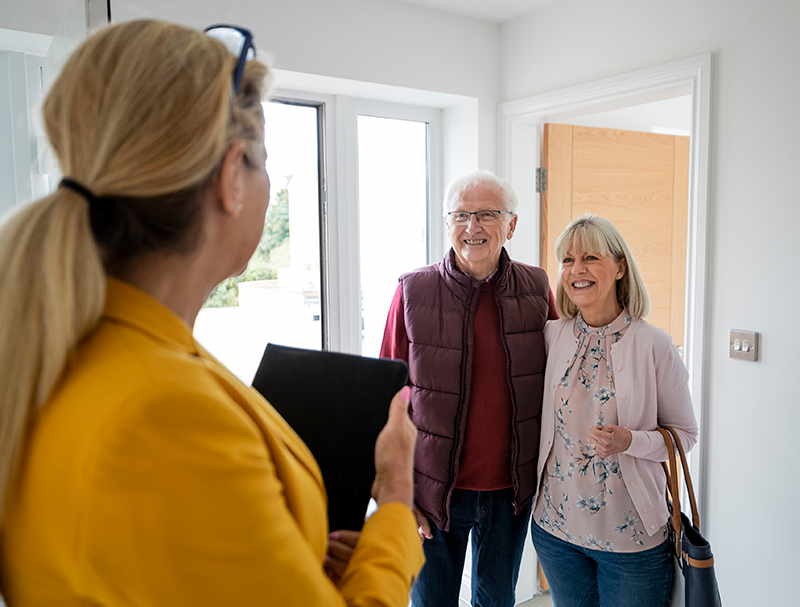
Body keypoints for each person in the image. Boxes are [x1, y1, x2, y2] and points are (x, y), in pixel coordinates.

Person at [0, 20, 423, 607]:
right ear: (231, 179)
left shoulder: (75, 350)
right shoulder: (164, 412)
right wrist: (396, 504)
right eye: (264, 161)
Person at [380, 170, 558, 607]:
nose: (472, 227)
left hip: (509, 492)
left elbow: (561, 381)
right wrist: (396, 493)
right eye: (460, 214)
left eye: (486, 214)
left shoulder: (537, 289)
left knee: (496, 601)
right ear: (447, 222)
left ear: (512, 224)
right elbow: (384, 399)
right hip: (432, 492)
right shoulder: (412, 291)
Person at [530, 213, 699, 607]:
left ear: (620, 267)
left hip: (632, 540)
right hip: (555, 530)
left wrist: (631, 441)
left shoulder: (654, 345)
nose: (577, 270)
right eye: (568, 260)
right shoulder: (551, 335)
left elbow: (685, 437)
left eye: (590, 257)